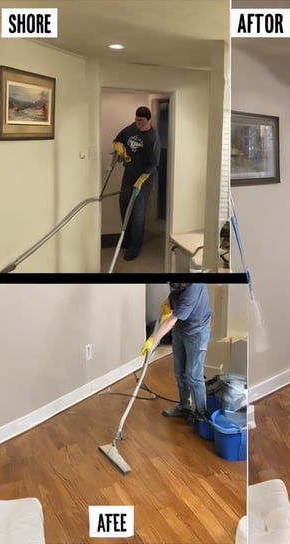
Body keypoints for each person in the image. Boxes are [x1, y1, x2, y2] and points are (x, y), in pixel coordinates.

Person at [141, 283, 212, 421]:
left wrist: (152, 340)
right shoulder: (178, 282)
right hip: (180, 330)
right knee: (179, 373)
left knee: (193, 375)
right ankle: (184, 406)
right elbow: (174, 295)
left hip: (197, 332)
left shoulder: (193, 289)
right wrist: (167, 303)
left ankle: (201, 416)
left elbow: (170, 322)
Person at [113, 106, 161, 261]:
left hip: (145, 177)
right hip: (129, 172)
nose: (137, 122)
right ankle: (125, 240)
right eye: (136, 119)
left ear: (148, 120)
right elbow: (118, 139)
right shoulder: (131, 128)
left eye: (140, 120)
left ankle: (135, 246)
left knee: (138, 211)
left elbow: (153, 164)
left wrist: (140, 180)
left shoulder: (153, 138)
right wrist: (120, 149)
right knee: (123, 202)